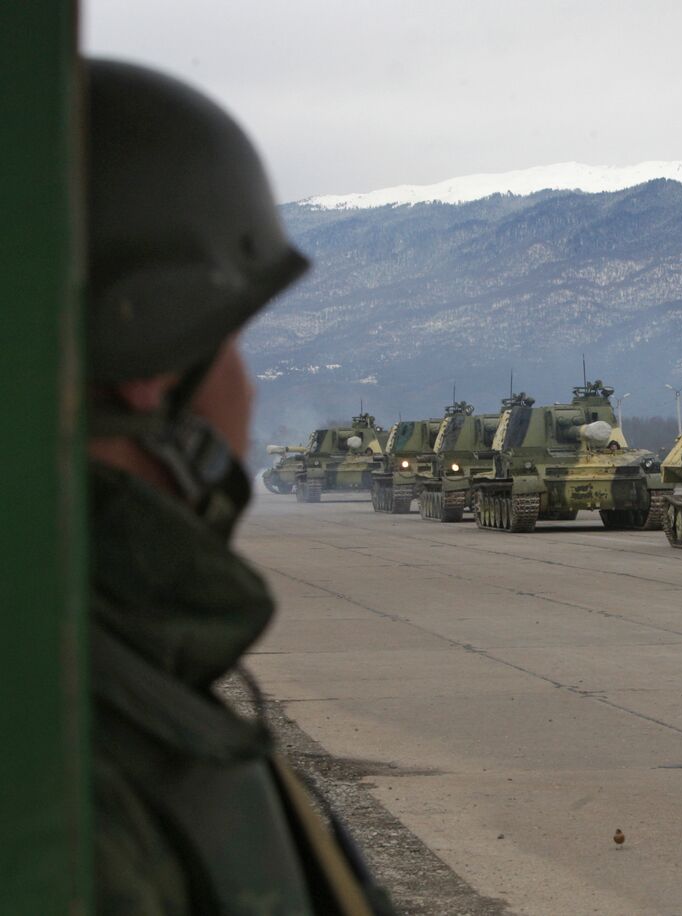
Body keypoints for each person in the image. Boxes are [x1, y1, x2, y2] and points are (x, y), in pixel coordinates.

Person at [86, 60, 392, 914]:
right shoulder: (84, 784)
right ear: (150, 371)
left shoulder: (102, 678)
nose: (248, 392)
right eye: (229, 345)